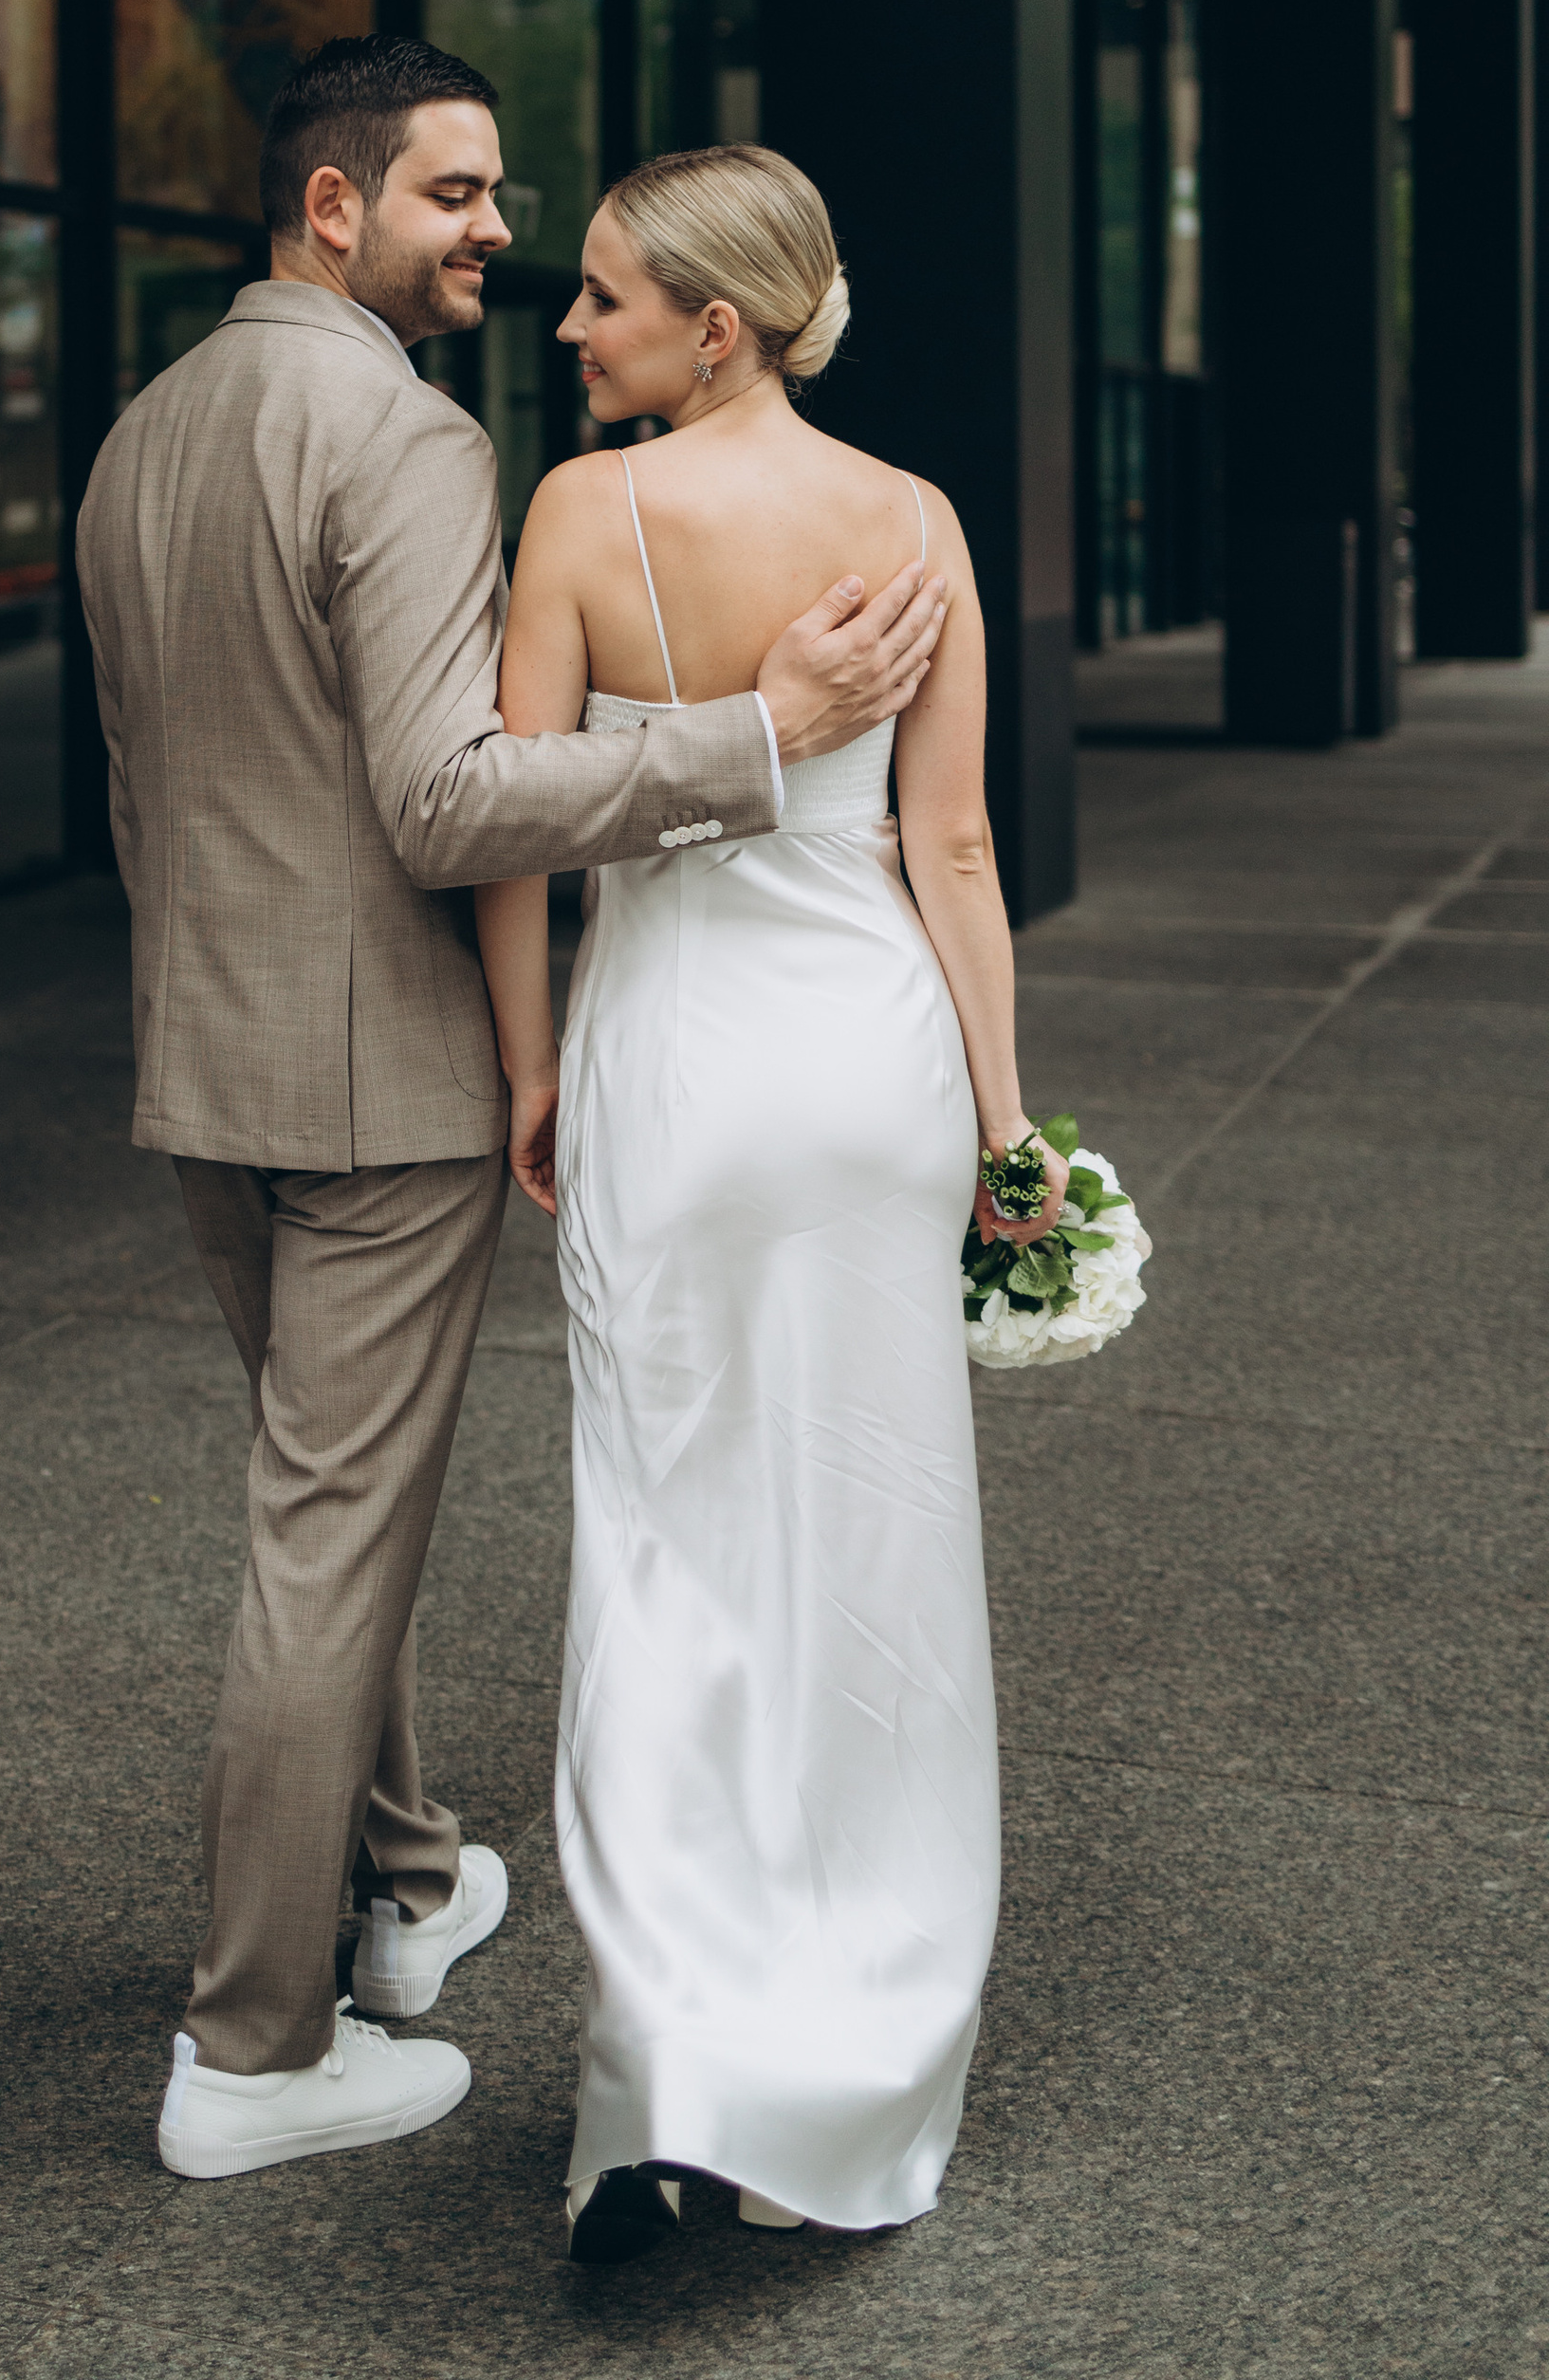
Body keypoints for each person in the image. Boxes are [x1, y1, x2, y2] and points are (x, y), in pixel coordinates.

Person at [75, 40, 951, 2184]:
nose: (494, 238)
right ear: (330, 211)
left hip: (201, 1062)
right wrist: (758, 735)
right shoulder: (399, 437)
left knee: (315, 1506)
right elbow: (448, 798)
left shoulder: (142, 435)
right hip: (375, 1083)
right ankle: (254, 2054)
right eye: (459, 198)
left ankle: (400, 1879)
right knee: (324, 1542)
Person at [471, 142, 1067, 2262]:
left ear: (710, 328)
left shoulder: (575, 518)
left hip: (680, 1070)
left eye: (606, 295)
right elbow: (956, 852)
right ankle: (860, 2042)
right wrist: (1004, 1133)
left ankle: (670, 2079)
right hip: (870, 1069)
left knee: (663, 1550)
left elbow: (520, 833)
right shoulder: (909, 519)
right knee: (872, 1545)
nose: (568, 324)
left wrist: (532, 1066)